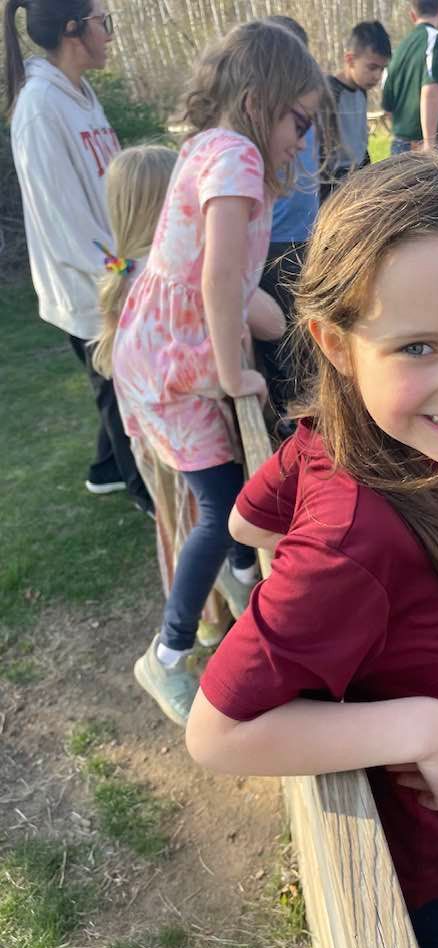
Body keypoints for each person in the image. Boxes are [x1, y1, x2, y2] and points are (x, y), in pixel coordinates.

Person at [186, 153, 438, 948]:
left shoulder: (341, 434)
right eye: (420, 347)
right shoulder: (355, 542)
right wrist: (421, 720)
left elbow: (250, 523)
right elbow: (215, 732)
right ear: (338, 344)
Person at [111, 20, 326, 727]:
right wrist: (237, 375)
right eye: (299, 120)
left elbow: (238, 287)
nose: (302, 140)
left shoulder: (213, 148)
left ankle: (240, 585)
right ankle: (166, 656)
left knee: (231, 490)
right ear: (261, 99)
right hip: (175, 368)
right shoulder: (235, 157)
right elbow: (217, 276)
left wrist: (286, 325)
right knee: (220, 507)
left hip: (167, 354)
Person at [4, 0, 152, 514]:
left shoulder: (81, 94)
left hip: (113, 272)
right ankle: (145, 493)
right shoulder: (40, 108)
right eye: (102, 24)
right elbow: (67, 227)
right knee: (120, 390)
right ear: (73, 30)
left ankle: (106, 470)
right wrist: (123, 271)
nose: (109, 35)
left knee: (113, 386)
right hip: (87, 287)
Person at [92, 144, 242, 649]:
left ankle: (214, 615)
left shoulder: (124, 274)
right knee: (209, 521)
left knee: (188, 525)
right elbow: (182, 366)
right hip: (180, 432)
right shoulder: (158, 285)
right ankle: (204, 622)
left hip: (156, 438)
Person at [256, 15, 320, 425]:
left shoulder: (303, 110)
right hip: (273, 240)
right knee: (282, 343)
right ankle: (289, 423)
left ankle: (308, 416)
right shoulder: (266, 116)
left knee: (305, 333)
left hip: (305, 235)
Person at [321, 20, 391, 200]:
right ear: (350, 59)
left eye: (382, 69)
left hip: (357, 184)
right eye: (372, 67)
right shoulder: (328, 93)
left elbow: (359, 143)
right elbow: (320, 153)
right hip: (332, 190)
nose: (377, 76)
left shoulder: (361, 92)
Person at [382, 0, 438, 155]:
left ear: (412, 15)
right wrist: (429, 144)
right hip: (425, 146)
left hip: (399, 144)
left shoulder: (399, 49)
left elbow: (388, 107)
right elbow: (431, 88)